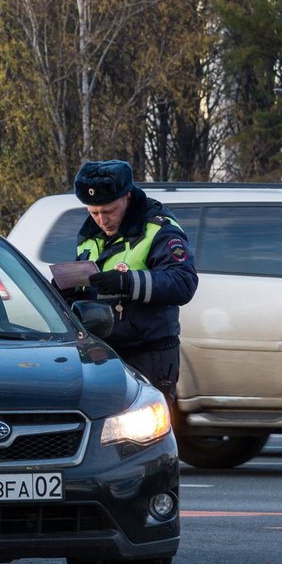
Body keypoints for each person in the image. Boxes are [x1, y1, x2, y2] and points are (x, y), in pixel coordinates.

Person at [55, 160, 198, 422]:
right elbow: (91, 282)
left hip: (150, 352)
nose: (101, 220)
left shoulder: (158, 229)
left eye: (109, 210)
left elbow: (183, 282)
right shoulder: (89, 234)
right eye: (94, 212)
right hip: (104, 355)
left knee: (148, 437)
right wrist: (67, 291)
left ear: (128, 196)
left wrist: (127, 282)